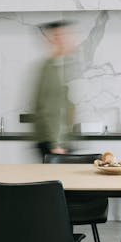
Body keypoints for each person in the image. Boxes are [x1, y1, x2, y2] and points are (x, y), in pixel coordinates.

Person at [34, 20, 76, 157]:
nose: (67, 40)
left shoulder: (62, 65)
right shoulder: (50, 68)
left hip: (61, 141)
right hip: (53, 143)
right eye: (60, 36)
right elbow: (49, 109)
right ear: (53, 41)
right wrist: (56, 144)